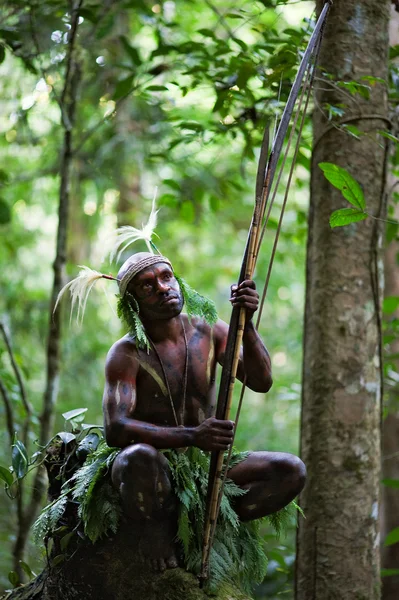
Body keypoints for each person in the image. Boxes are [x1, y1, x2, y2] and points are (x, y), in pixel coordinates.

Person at [102, 251, 306, 573]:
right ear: (132, 304)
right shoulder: (126, 354)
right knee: (138, 457)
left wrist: (246, 324)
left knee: (291, 470)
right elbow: (115, 429)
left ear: (178, 281)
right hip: (153, 468)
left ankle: (209, 520)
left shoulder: (208, 331)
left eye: (166, 277)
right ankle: (155, 531)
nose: (162, 288)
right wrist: (193, 435)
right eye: (147, 287)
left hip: (204, 465)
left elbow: (261, 380)